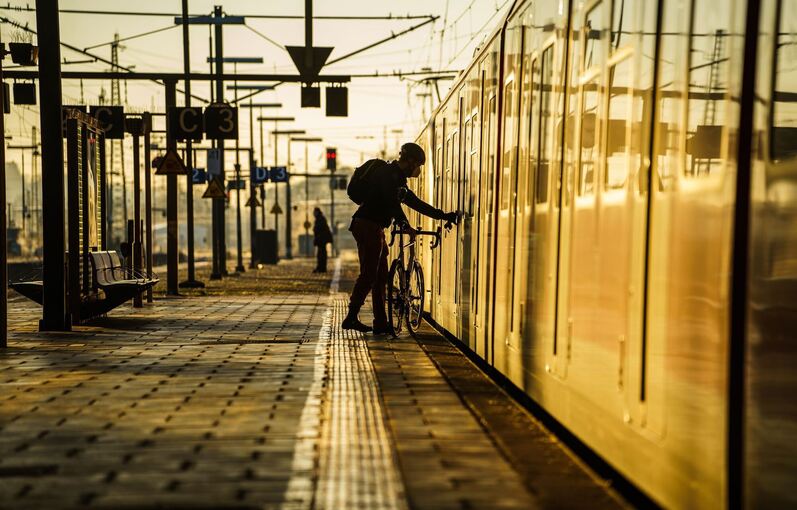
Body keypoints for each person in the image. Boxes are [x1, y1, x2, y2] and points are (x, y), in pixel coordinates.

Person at [342, 142, 458, 334]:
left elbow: (415, 203)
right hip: (366, 226)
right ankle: (351, 317)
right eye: (418, 165)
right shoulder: (387, 175)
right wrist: (404, 224)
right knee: (369, 274)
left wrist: (443, 215)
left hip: (374, 227)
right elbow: (391, 203)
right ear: (410, 161)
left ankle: (381, 322)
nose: (418, 170)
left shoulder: (397, 179)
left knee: (380, 277)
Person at [312, 207, 333, 273]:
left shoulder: (320, 219)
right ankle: (321, 267)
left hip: (321, 240)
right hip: (321, 240)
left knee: (321, 254)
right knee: (321, 254)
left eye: (314, 212)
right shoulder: (320, 218)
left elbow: (319, 230)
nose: (313, 213)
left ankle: (321, 268)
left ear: (317, 212)